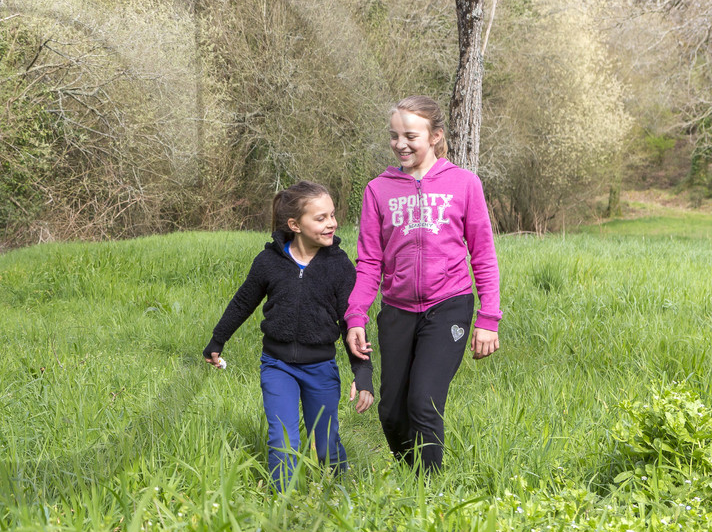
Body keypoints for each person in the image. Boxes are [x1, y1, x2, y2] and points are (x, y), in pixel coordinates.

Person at [345, 96, 501, 474]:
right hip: (397, 310)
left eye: (410, 136)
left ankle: (431, 494)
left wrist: (488, 319)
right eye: (394, 136)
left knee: (423, 402)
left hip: (449, 304)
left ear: (435, 137)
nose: (400, 144)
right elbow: (368, 262)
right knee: (392, 413)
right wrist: (355, 316)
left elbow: (483, 254)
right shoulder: (377, 190)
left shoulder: (464, 184)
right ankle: (412, 477)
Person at [204, 181, 373, 490]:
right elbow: (243, 302)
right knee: (282, 439)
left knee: (324, 445)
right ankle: (281, 502)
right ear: (295, 225)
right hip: (277, 365)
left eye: (332, 215)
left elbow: (353, 322)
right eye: (320, 218)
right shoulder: (268, 262)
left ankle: (342, 492)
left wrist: (362, 372)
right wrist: (218, 340)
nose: (331, 223)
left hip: (321, 369)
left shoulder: (339, 266)